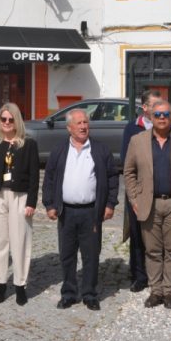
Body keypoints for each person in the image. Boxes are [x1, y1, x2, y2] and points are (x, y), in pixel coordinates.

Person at [124, 100, 171, 309]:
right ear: (150, 116)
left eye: (166, 114)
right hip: (149, 204)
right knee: (153, 251)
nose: (162, 118)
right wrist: (134, 199)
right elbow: (129, 172)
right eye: (157, 114)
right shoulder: (137, 141)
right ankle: (156, 291)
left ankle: (169, 292)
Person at [43, 108, 118, 311]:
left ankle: (89, 294)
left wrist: (110, 204)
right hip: (65, 212)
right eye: (79, 123)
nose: (84, 127)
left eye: (86, 122)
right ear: (69, 128)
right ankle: (68, 293)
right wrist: (49, 204)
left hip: (91, 212)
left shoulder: (100, 149)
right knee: (67, 255)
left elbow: (112, 177)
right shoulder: (59, 150)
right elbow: (49, 178)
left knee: (91, 254)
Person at [0, 103, 40, 306]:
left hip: (20, 196)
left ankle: (20, 285)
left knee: (20, 240)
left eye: (10, 119)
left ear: (17, 121)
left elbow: (34, 176)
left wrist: (31, 202)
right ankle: (1, 283)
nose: (6, 122)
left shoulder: (28, 144)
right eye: (3, 119)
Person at [121, 89, 162, 293]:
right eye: (155, 105)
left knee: (158, 232)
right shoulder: (132, 128)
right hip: (138, 190)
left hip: (161, 189)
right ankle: (139, 275)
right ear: (145, 108)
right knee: (137, 234)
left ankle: (158, 273)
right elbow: (126, 161)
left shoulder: (165, 126)